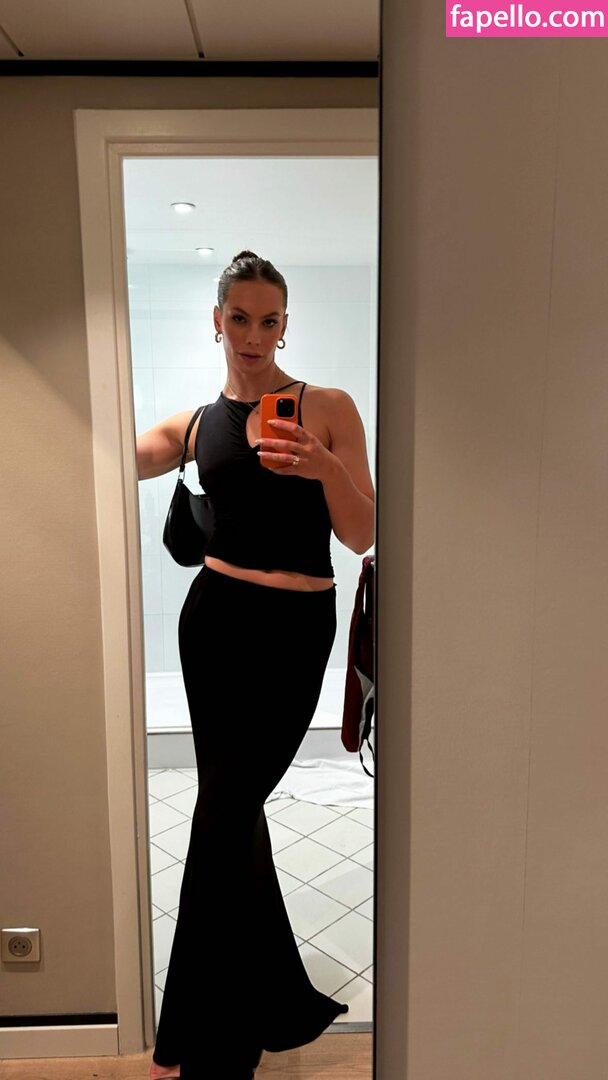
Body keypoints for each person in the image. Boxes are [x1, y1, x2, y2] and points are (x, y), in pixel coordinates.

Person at [136, 251, 375, 1080]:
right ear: (217, 322)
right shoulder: (197, 426)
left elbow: (363, 534)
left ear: (284, 326)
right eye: (238, 317)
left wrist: (324, 465)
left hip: (296, 630)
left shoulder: (327, 407)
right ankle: (258, 1007)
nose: (252, 335)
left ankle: (197, 1033)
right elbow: (108, 453)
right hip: (213, 624)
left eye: (268, 320)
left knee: (224, 812)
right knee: (230, 811)